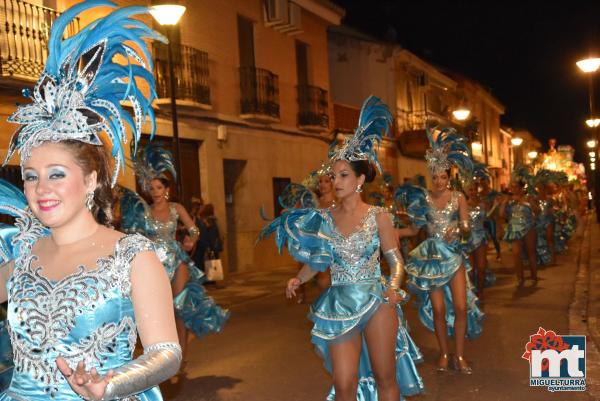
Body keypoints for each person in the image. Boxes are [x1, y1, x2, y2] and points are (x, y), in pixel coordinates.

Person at [0, 3, 181, 400]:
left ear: (91, 180)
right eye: (31, 176)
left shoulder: (132, 255)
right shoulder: (21, 254)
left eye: (57, 174)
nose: (41, 188)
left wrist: (110, 384)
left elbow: (166, 353)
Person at [260, 96, 424, 400]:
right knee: (345, 383)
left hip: (376, 301)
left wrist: (392, 287)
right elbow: (318, 261)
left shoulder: (380, 217)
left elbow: (396, 261)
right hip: (339, 304)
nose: (336, 181)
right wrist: (299, 278)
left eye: (343, 175)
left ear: (360, 179)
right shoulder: (323, 219)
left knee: (385, 377)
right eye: (333, 175)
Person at [120, 144, 230, 373]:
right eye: (151, 188)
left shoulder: (175, 208)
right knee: (158, 311)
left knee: (178, 309)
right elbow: (135, 235)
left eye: (158, 187)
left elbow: (194, 229)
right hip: (153, 264)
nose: (155, 191)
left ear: (166, 189)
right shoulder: (145, 211)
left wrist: (191, 240)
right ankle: (162, 354)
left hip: (176, 260)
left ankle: (181, 356)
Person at [398, 128, 484, 374]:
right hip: (432, 258)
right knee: (438, 309)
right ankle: (445, 352)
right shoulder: (423, 199)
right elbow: (415, 230)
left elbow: (467, 226)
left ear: (449, 177)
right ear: (431, 177)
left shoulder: (458, 198)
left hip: (453, 256)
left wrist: (458, 227)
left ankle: (459, 354)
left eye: (443, 178)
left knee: (459, 307)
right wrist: (394, 232)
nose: (438, 182)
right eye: (435, 177)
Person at [499, 167, 539, 286]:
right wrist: (503, 203)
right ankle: (520, 278)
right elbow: (502, 215)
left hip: (528, 228)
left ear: (522, 188)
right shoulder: (509, 201)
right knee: (516, 254)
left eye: (516, 186)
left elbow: (538, 212)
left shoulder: (529, 199)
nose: (514, 189)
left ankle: (534, 276)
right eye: (512, 186)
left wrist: (532, 204)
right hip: (515, 229)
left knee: (531, 252)